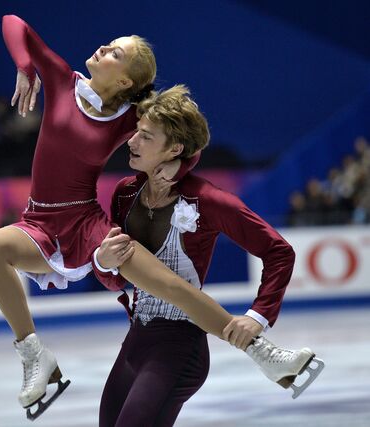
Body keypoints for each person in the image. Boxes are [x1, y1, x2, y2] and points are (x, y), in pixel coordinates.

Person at [0, 15, 321, 419]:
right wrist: (23, 65)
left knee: (170, 287)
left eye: (115, 52)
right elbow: (13, 23)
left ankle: (263, 353)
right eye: (109, 44)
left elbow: (183, 133)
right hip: (39, 221)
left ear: (125, 81)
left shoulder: (129, 117)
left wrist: (182, 166)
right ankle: (35, 355)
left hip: (87, 224)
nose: (103, 48)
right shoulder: (61, 81)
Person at [95, 86, 324, 426]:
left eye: (145, 136)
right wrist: (103, 262)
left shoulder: (209, 201)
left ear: (174, 149)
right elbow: (116, 280)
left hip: (179, 349)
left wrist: (258, 316)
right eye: (136, 133)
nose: (131, 142)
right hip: (136, 342)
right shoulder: (125, 193)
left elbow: (279, 252)